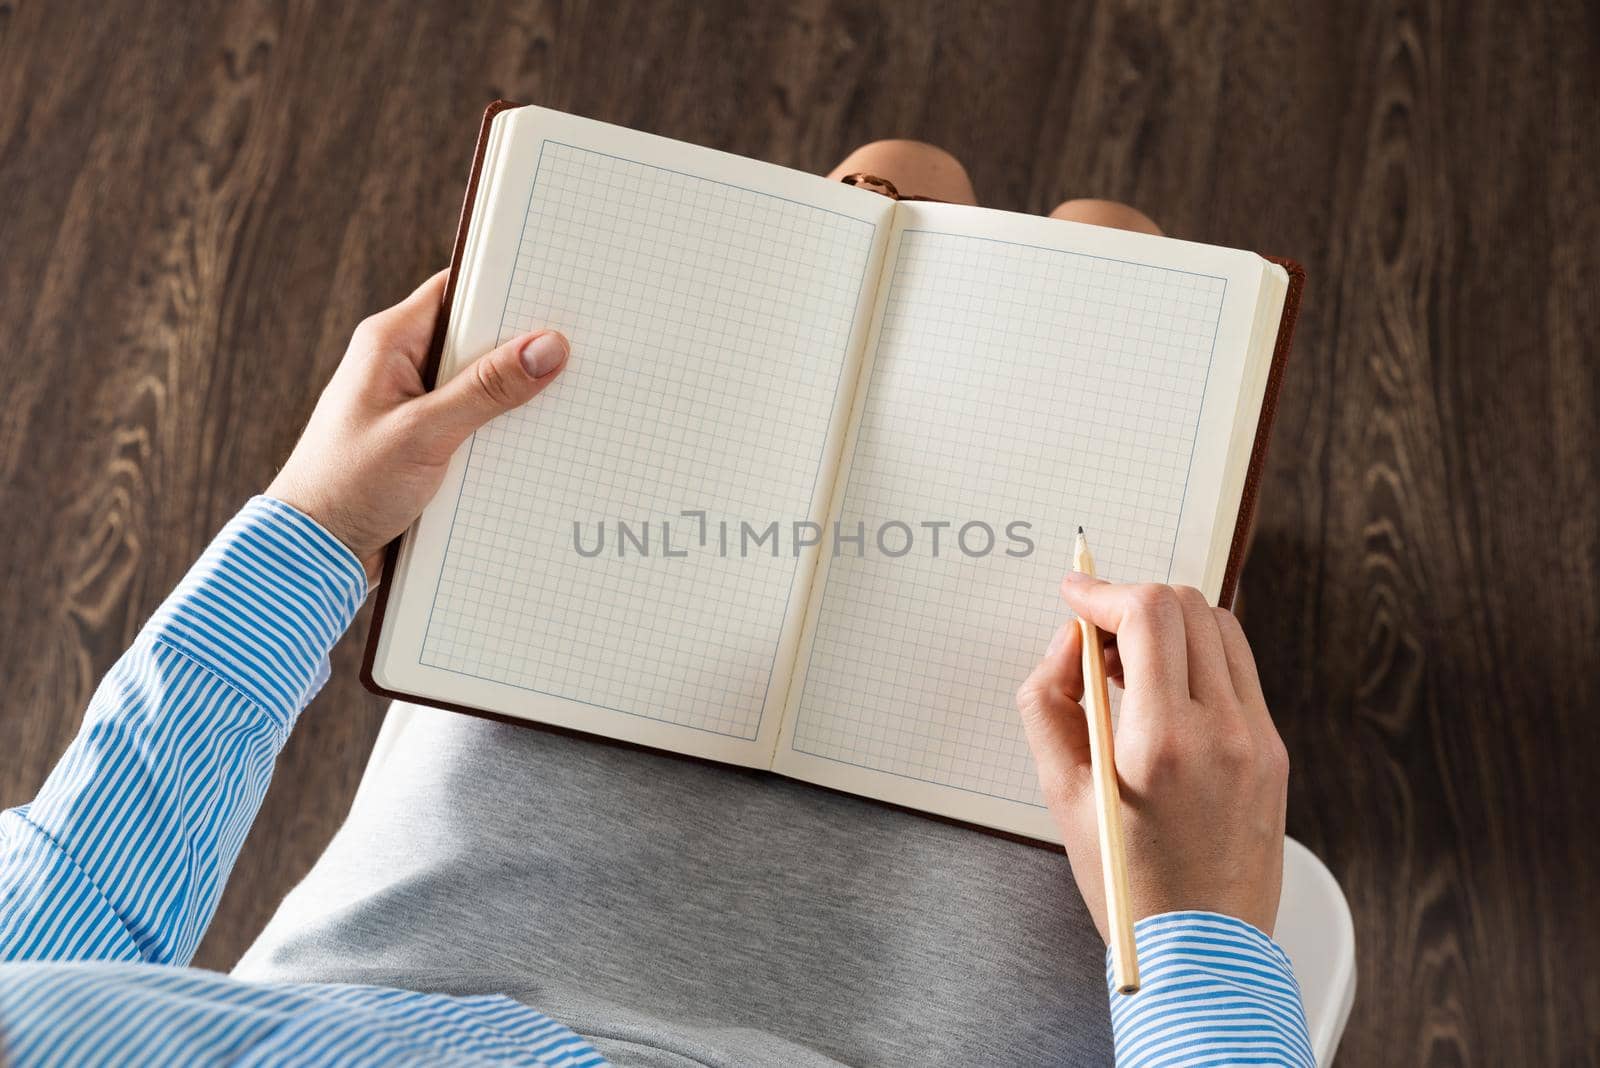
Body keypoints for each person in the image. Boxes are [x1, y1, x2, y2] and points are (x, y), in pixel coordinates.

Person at [0, 141, 1312, 1066]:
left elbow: (51, 945)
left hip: (446, 936)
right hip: (898, 1027)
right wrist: (1197, 926)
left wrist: (318, 528)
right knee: (1116, 269)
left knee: (892, 190)